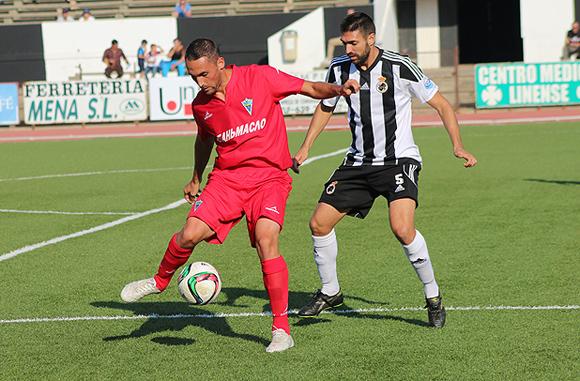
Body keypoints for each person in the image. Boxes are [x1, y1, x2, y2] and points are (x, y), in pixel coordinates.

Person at [120, 38, 359, 353]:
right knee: (189, 233)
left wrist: (339, 90)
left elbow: (310, 88)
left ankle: (281, 330)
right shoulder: (201, 106)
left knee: (266, 238)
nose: (199, 82)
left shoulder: (260, 78)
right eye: (193, 76)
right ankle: (160, 280)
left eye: (203, 74)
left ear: (220, 63)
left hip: (270, 178)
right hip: (227, 180)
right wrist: (195, 178)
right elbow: (204, 142)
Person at [294, 12, 477, 328]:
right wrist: (306, 147)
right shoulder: (339, 69)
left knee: (402, 228)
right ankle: (330, 290)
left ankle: (432, 296)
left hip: (399, 160)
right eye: (345, 43)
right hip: (358, 163)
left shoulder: (400, 66)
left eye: (353, 43)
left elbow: (443, 106)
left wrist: (457, 145)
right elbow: (325, 107)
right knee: (318, 224)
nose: (348, 49)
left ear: (370, 38)